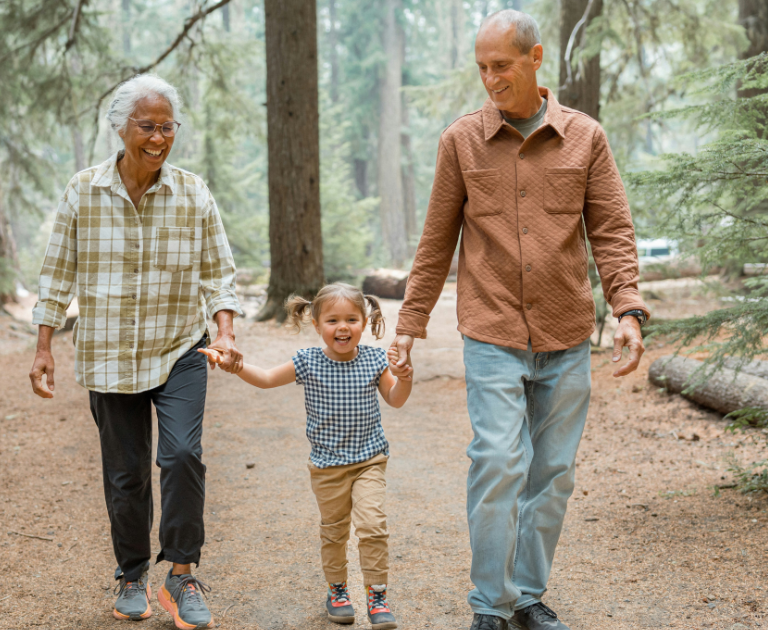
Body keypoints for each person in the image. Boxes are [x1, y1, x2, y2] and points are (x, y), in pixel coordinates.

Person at [388, 10, 650, 630]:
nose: (490, 79)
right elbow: (436, 240)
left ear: (535, 59)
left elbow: (611, 230)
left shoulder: (585, 137)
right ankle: (489, 604)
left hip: (565, 331)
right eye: (481, 68)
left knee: (552, 474)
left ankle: (526, 596)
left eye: (501, 65)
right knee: (498, 461)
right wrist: (410, 323)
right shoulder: (461, 140)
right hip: (492, 329)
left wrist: (628, 309)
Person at [28, 74, 243, 630]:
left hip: (180, 348)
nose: (158, 137)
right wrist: (44, 346)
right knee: (125, 474)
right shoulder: (84, 189)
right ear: (120, 127)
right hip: (110, 354)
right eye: (147, 126)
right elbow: (57, 276)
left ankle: (182, 572)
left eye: (167, 127)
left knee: (181, 456)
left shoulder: (193, 191)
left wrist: (225, 332)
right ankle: (130, 572)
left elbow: (219, 273)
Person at [201, 283, 412, 630]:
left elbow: (396, 398)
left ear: (363, 321)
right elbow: (268, 378)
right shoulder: (308, 361)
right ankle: (338, 591)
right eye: (332, 320)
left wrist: (406, 377)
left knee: (373, 526)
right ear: (316, 324)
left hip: (369, 460)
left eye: (351, 319)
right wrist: (235, 366)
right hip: (328, 467)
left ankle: (377, 594)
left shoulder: (375, 359)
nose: (342, 327)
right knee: (334, 532)